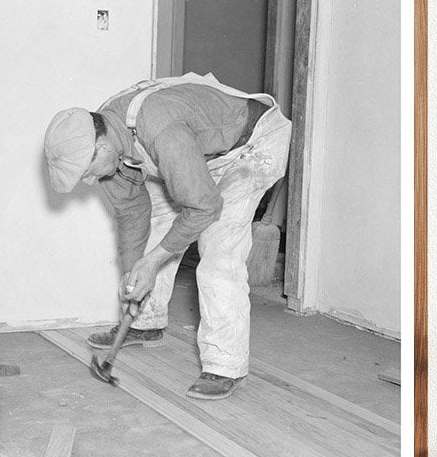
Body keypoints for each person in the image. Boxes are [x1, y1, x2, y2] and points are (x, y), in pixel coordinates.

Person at [43, 73, 291, 400]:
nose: (89, 182)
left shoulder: (160, 129)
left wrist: (154, 261)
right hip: (197, 153)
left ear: (100, 147)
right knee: (158, 225)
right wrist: (136, 273)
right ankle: (145, 320)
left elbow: (204, 206)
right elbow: (132, 211)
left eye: (86, 172)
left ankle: (225, 364)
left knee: (218, 250)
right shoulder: (106, 130)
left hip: (249, 146)